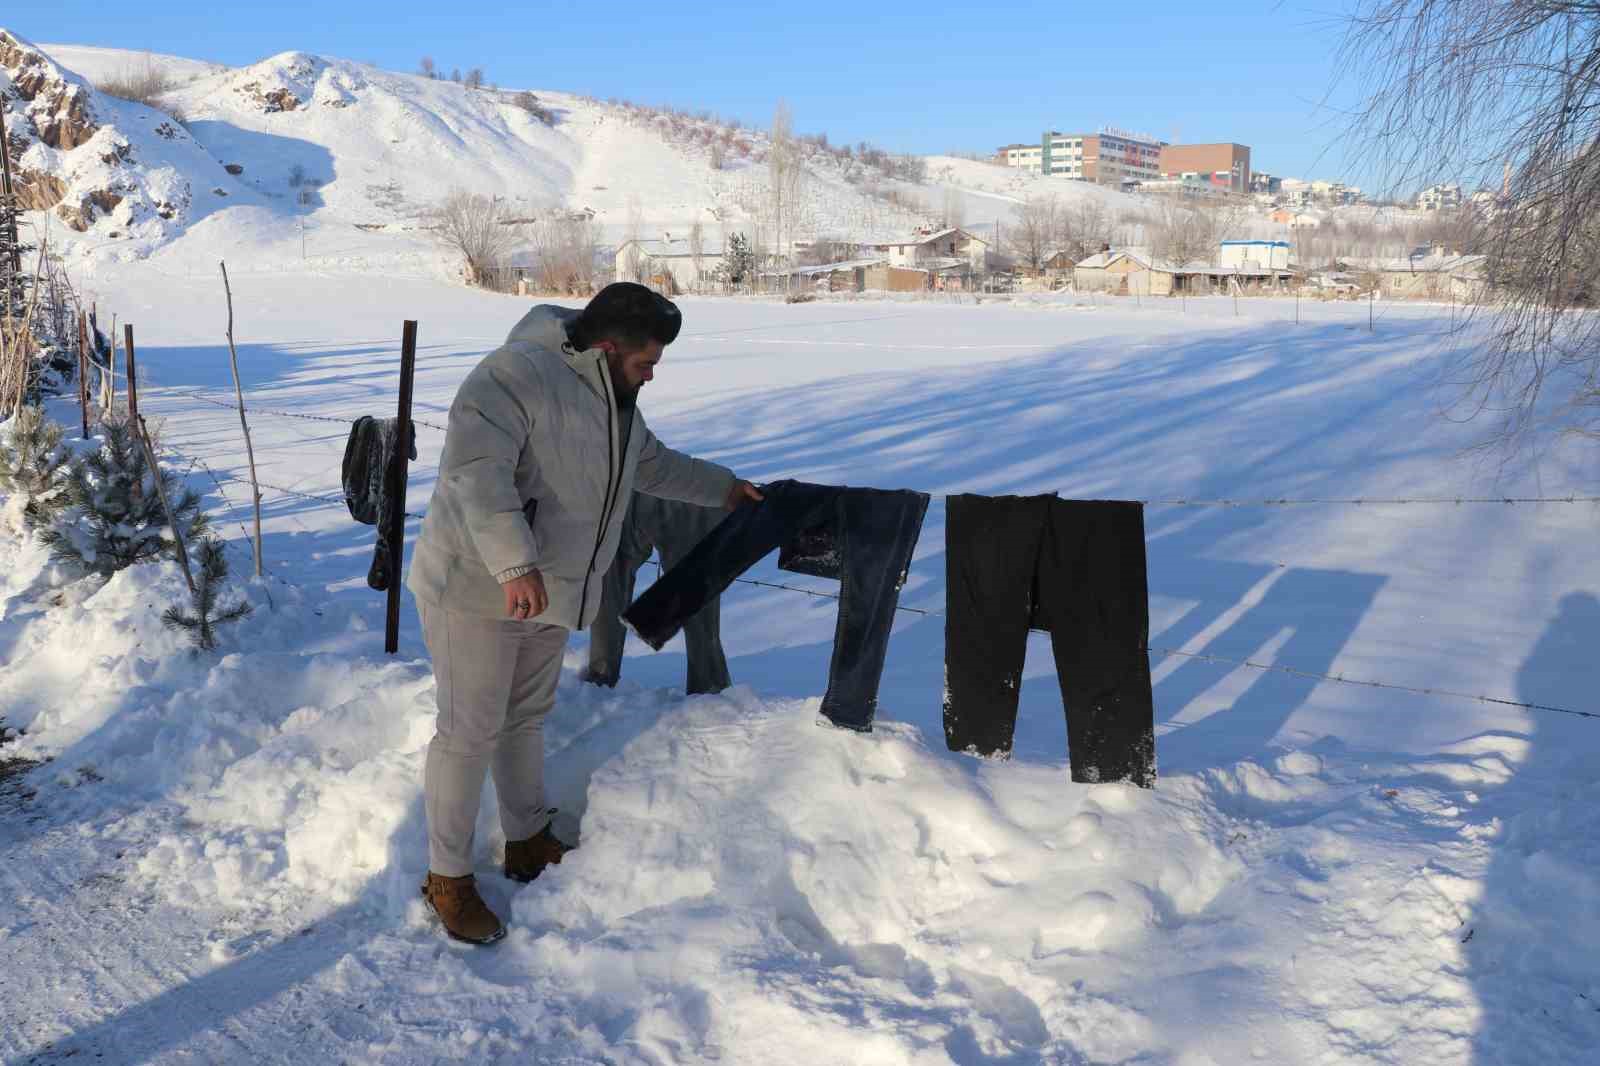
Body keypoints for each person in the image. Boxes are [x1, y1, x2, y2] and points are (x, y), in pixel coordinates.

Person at [406, 283, 762, 945]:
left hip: (552, 589)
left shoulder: (614, 400)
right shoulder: (513, 376)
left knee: (524, 720)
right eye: (644, 362)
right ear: (606, 348)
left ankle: (526, 840)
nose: (652, 373)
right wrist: (515, 565)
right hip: (476, 587)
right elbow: (477, 474)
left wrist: (723, 489)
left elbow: (648, 466)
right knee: (468, 732)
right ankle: (447, 877)